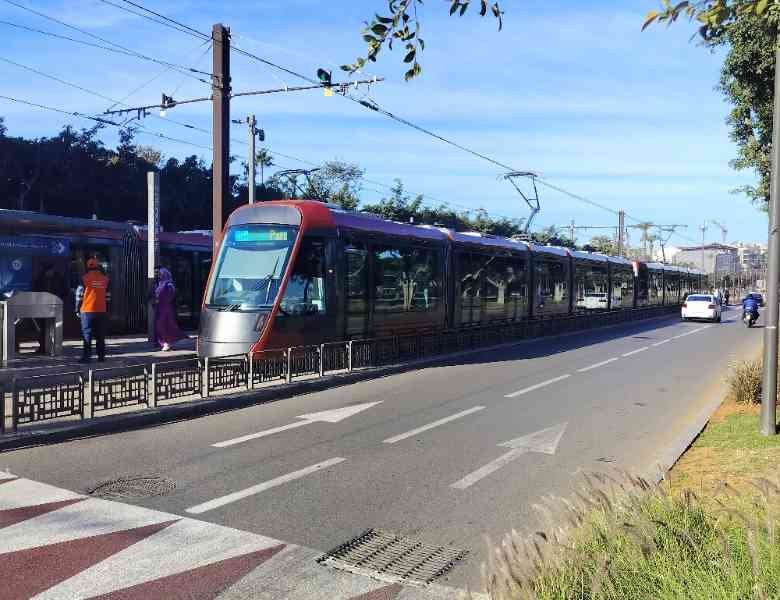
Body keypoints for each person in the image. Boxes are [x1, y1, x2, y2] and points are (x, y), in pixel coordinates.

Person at [75, 258, 108, 363]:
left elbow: (79, 295)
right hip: (101, 311)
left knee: (87, 334)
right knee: (100, 335)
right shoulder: (105, 279)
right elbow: (108, 296)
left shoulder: (84, 278)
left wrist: (77, 308)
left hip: (87, 310)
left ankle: (87, 357)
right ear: (98, 266)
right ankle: (101, 357)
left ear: (88, 267)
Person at [32, 262, 66, 354]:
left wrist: (59, 299)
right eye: (46, 271)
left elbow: (65, 290)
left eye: (49, 271)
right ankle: (43, 347)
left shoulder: (59, 278)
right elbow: (36, 290)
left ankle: (54, 348)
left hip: (55, 305)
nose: (48, 273)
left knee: (55, 327)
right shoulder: (41, 278)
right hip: (43, 306)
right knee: (43, 327)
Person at [153, 267, 184, 352]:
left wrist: (162, 299)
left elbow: (171, 295)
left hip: (166, 308)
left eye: (160, 274)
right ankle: (164, 343)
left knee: (164, 325)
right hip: (160, 307)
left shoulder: (169, 284)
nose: (158, 276)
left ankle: (166, 343)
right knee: (160, 326)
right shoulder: (159, 284)